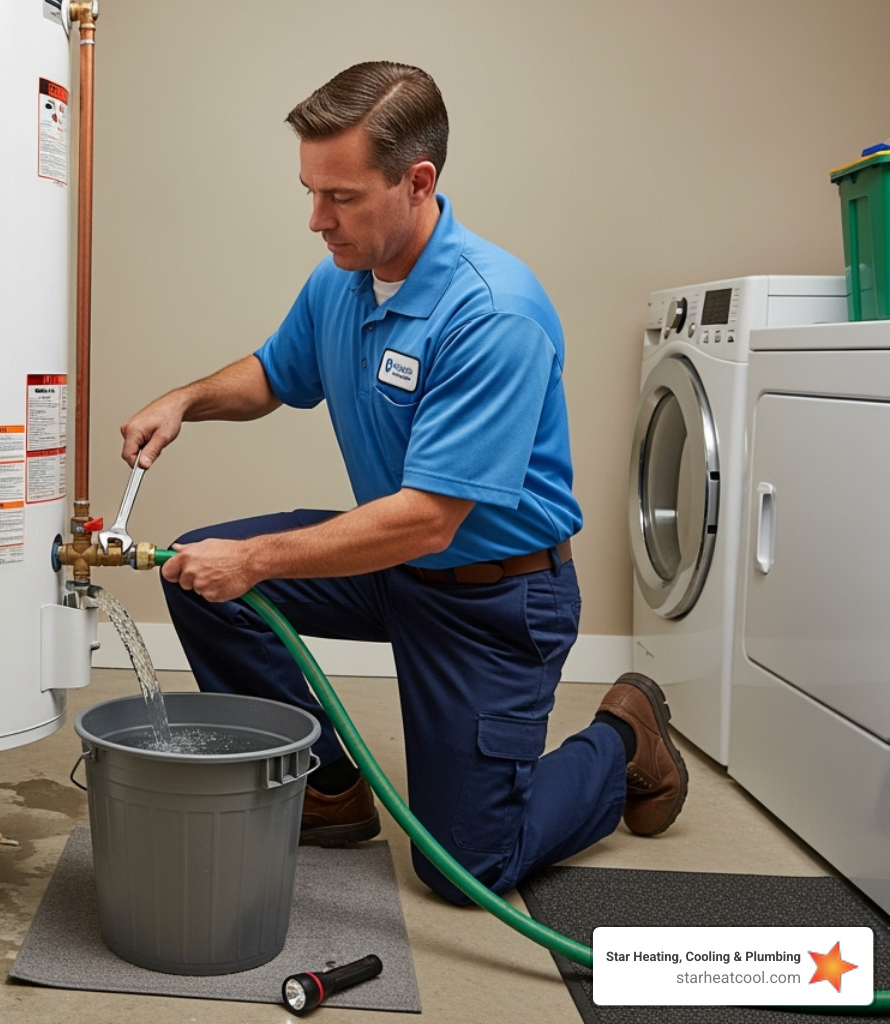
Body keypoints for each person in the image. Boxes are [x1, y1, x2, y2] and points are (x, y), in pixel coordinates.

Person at [119, 61, 688, 905]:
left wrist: (258, 559)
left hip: (491, 601)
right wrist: (186, 399)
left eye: (340, 196)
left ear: (418, 182)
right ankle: (324, 786)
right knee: (202, 578)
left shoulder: (492, 313)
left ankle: (624, 740)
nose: (316, 219)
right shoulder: (341, 278)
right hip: (395, 567)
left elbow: (428, 520)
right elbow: (277, 374)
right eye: (311, 191)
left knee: (467, 870)